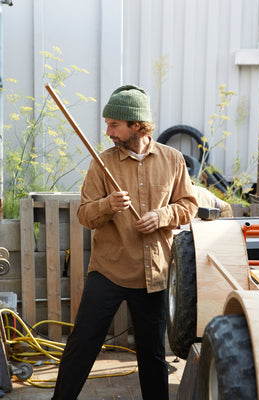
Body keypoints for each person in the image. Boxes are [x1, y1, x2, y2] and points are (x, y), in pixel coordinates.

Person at [51, 84, 198, 400]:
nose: (108, 131)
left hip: (153, 275)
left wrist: (160, 216)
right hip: (109, 271)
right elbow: (84, 215)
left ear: (137, 125)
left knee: (152, 354)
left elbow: (189, 206)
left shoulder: (173, 160)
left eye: (114, 124)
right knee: (82, 345)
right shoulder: (102, 162)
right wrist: (108, 205)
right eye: (107, 124)